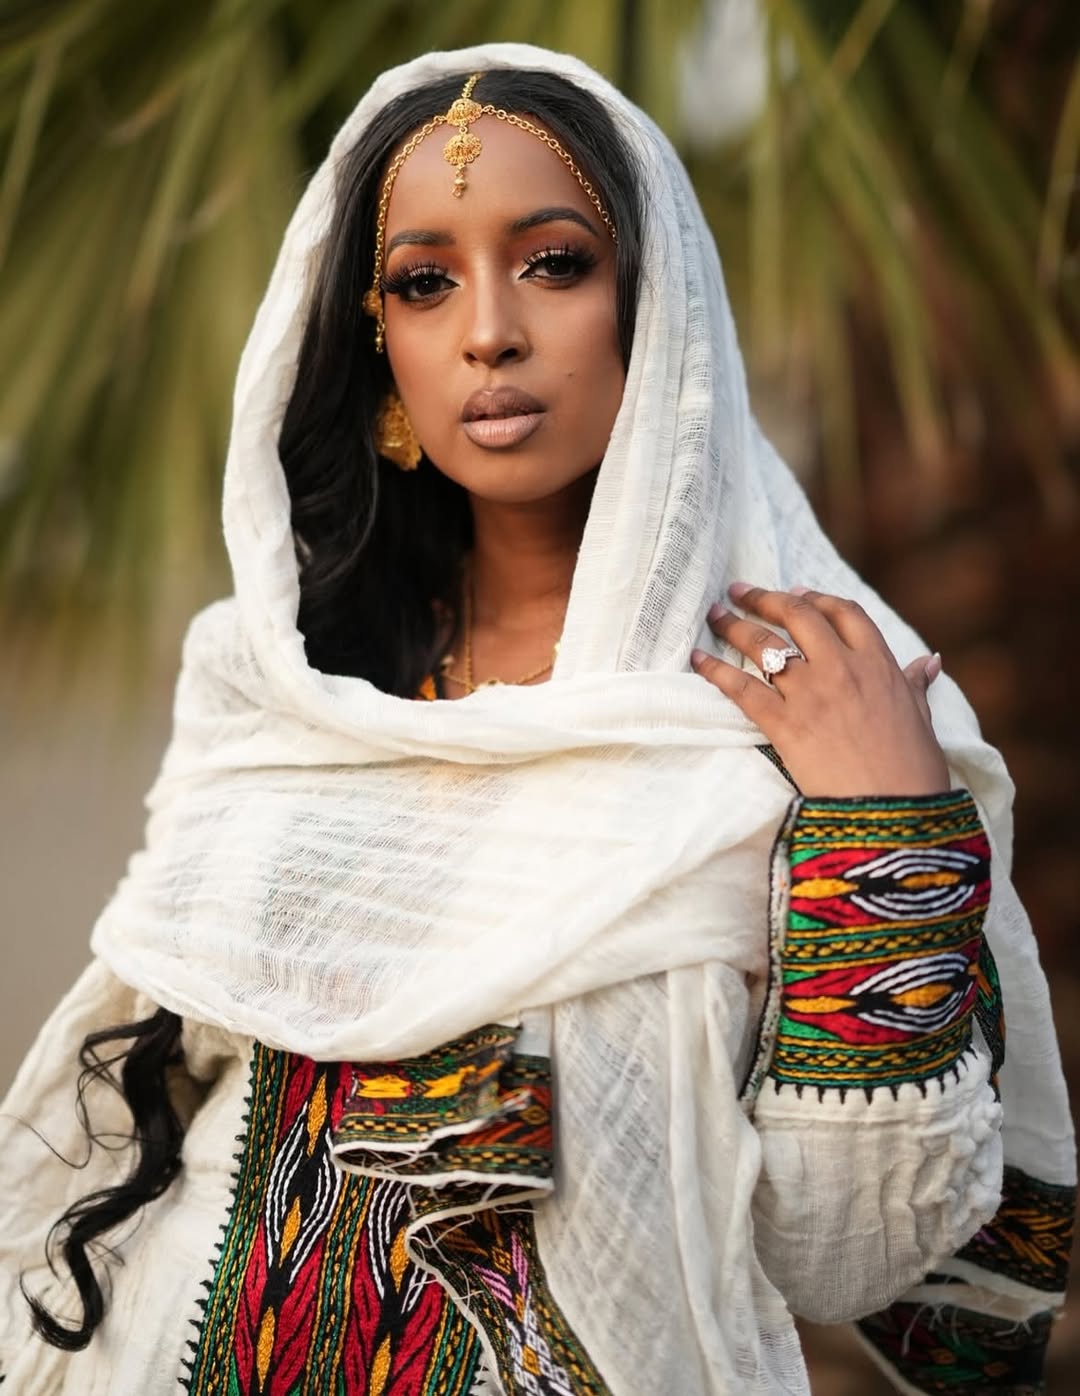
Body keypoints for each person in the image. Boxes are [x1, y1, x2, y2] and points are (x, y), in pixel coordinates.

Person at [0, 42, 1073, 1396]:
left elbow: (846, 1254)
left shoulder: (799, 716)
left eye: (554, 262)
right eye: (424, 282)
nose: (489, 330)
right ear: (377, 346)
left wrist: (886, 835)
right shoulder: (279, 692)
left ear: (654, 306)